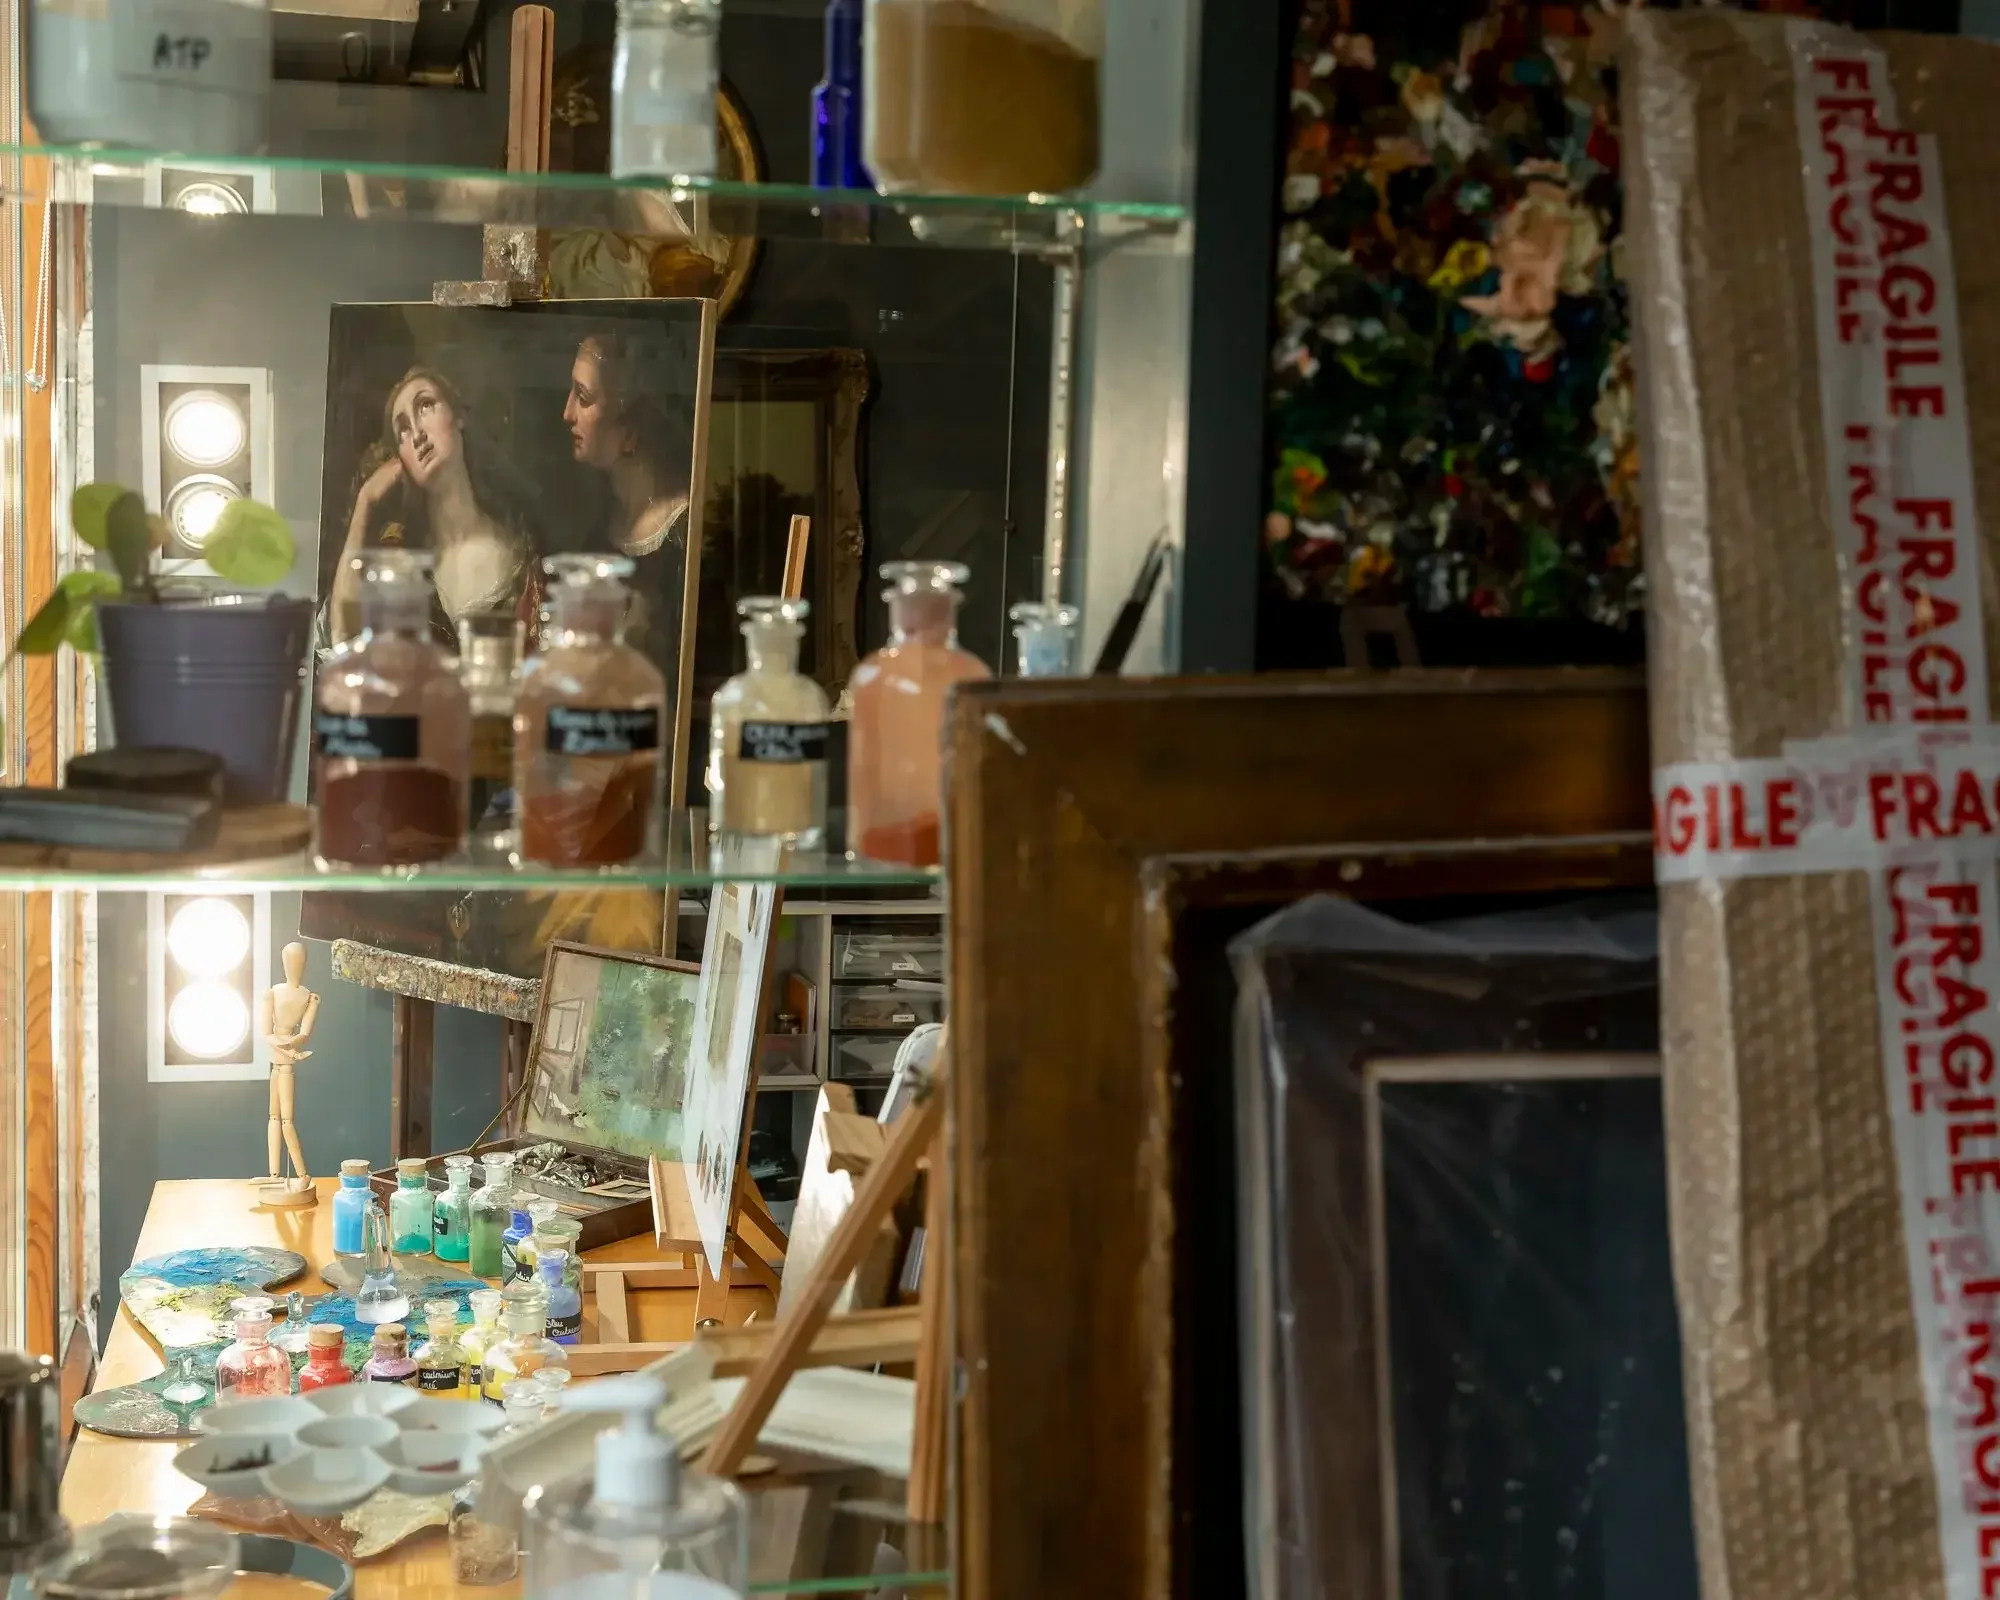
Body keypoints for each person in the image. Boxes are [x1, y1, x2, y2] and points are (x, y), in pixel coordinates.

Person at [327, 366, 540, 648]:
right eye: (402, 429)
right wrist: (366, 501)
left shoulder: (521, 551)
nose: (416, 433)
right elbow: (343, 638)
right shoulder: (401, 559)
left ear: (459, 416)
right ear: (399, 458)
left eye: (426, 406)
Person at [563, 328, 695, 677]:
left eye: (583, 397)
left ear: (630, 428)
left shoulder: (685, 536)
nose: (567, 413)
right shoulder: (599, 528)